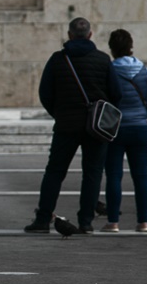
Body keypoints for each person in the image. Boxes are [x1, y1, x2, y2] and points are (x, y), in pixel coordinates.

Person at [24, 17, 122, 234]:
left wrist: (59, 113)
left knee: (55, 172)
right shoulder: (103, 60)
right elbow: (116, 94)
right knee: (93, 173)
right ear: (90, 35)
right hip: (96, 128)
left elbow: (45, 93)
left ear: (69, 35)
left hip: (66, 125)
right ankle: (85, 222)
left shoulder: (58, 60)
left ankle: (42, 219)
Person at [102, 29, 147, 234]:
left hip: (114, 129)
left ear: (111, 48)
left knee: (114, 176)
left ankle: (113, 222)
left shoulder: (108, 69)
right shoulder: (143, 70)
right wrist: (142, 116)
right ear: (131, 46)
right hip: (140, 129)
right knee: (141, 176)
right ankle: (143, 222)